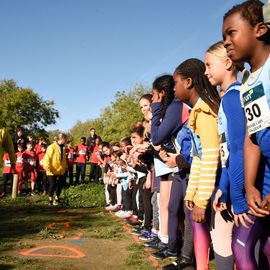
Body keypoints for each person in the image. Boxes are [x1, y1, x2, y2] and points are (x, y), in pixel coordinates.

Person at [223, 0, 270, 268]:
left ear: (260, 29)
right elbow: (252, 139)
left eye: (232, 33)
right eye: (223, 37)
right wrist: (250, 185)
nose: (227, 41)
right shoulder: (249, 81)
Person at [173, 58, 221, 270]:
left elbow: (211, 157)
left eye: (176, 83)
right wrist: (192, 192)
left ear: (189, 82)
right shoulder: (197, 112)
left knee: (221, 243)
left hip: (219, 186)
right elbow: (198, 158)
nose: (173, 89)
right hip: (207, 187)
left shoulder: (204, 112)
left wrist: (201, 199)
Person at [205, 41, 245, 269]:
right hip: (234, 182)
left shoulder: (233, 98)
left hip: (247, 190)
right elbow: (227, 152)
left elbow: (240, 148)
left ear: (228, 63)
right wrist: (224, 185)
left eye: (209, 64)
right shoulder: (227, 99)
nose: (206, 71)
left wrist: (237, 197)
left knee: (245, 247)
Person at [43, 133, 67, 206]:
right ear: (61, 139)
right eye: (65, 139)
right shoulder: (51, 147)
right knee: (52, 185)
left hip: (60, 169)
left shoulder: (63, 148)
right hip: (52, 169)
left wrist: (65, 166)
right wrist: (47, 166)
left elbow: (63, 159)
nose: (65, 141)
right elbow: (47, 157)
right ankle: (50, 200)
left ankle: (57, 199)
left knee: (60, 184)